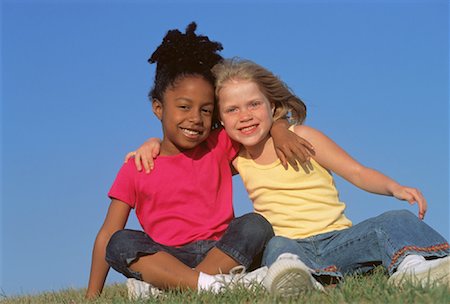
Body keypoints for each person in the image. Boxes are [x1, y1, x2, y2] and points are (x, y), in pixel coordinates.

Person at [86, 24, 313, 300]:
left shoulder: (218, 144)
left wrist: (279, 130)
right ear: (158, 107)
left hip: (223, 251)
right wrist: (91, 296)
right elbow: (107, 233)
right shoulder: (137, 167)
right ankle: (211, 284)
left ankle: (182, 288)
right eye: (184, 107)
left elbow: (258, 124)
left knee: (256, 224)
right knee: (119, 243)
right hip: (167, 257)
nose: (195, 118)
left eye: (206, 110)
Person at [209, 58, 450, 296]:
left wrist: (394, 188)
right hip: (291, 248)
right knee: (277, 246)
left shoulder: (303, 137)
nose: (245, 115)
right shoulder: (236, 159)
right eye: (232, 109)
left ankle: (413, 266)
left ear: (271, 106)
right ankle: (303, 280)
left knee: (395, 219)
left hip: (340, 241)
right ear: (220, 119)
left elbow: (357, 172)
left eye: (254, 104)